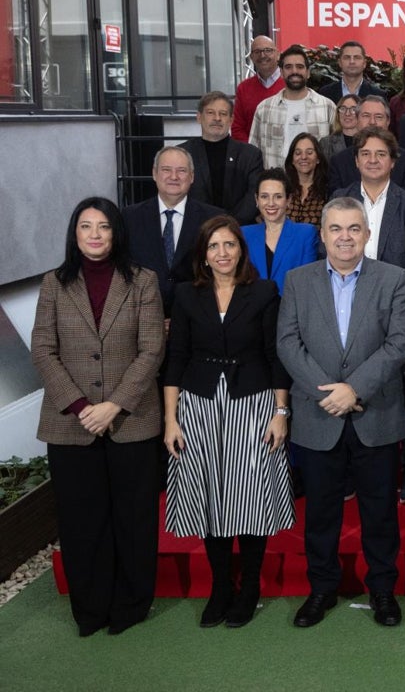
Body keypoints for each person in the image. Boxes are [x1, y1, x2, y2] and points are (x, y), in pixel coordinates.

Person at [276, 197, 405, 629]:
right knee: (320, 513)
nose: (345, 237)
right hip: (319, 417)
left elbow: (399, 343)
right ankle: (321, 589)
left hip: (376, 413)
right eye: (335, 228)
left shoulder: (392, 279)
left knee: (379, 512)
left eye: (354, 228)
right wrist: (329, 393)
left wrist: (354, 388)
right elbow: (287, 343)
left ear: (367, 234)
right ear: (322, 234)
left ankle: (382, 591)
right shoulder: (297, 281)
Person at [31, 197, 165, 636]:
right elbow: (43, 350)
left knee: (133, 519)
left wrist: (114, 405)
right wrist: (81, 407)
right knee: (81, 520)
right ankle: (90, 609)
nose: (94, 234)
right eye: (86, 226)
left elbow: (151, 350)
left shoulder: (143, 281)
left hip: (132, 419)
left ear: (115, 233)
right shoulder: (54, 283)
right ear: (75, 233)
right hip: (71, 422)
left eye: (103, 226)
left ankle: (130, 605)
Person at [162, 215, 294, 628]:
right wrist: (170, 420)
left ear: (241, 250)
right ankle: (221, 587)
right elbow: (175, 359)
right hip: (198, 406)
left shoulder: (265, 292)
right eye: (214, 246)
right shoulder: (185, 295)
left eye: (229, 245)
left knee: (249, 497)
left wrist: (281, 412)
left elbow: (276, 357)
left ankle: (249, 586)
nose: (222, 253)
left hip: (253, 404)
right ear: (204, 254)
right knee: (210, 496)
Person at [123, 146, 223, 317]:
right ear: (154, 174)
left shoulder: (214, 218)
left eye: (182, 171)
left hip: (198, 317)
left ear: (192, 176)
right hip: (141, 317)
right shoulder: (129, 217)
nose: (174, 177)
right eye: (166, 170)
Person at [331, 126, 405, 294]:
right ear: (356, 160)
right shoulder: (339, 200)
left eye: (381, 154)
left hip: (395, 301)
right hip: (345, 296)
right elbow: (328, 252)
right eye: (365, 154)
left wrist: (389, 295)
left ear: (392, 162)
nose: (373, 160)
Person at [179, 91, 263, 224]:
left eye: (223, 114)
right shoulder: (181, 154)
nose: (217, 118)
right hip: (195, 230)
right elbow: (177, 193)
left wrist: (229, 225)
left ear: (231, 120)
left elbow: (254, 196)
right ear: (199, 117)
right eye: (210, 113)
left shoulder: (251, 155)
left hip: (240, 230)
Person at [248, 45, 336, 169]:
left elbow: (336, 151)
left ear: (308, 72)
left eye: (300, 67)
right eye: (288, 67)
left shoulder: (327, 107)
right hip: (276, 183)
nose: (294, 71)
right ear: (282, 73)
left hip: (317, 184)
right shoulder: (264, 109)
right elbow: (253, 152)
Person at [242, 168, 320, 295]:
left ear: (288, 200)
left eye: (278, 197)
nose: (271, 203)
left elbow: (306, 282)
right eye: (264, 197)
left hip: (291, 310)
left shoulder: (305, 233)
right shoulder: (245, 234)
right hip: (253, 311)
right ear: (257, 200)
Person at [231, 36, 283, 143]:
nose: (263, 55)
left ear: (278, 54)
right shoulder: (243, 88)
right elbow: (237, 128)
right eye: (257, 51)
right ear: (251, 57)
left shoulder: (291, 85)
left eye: (268, 50)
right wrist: (253, 153)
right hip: (253, 156)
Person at [283, 132, 330, 227]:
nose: (303, 157)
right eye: (298, 153)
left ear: (318, 158)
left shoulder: (328, 191)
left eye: (309, 152)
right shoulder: (283, 189)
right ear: (292, 159)